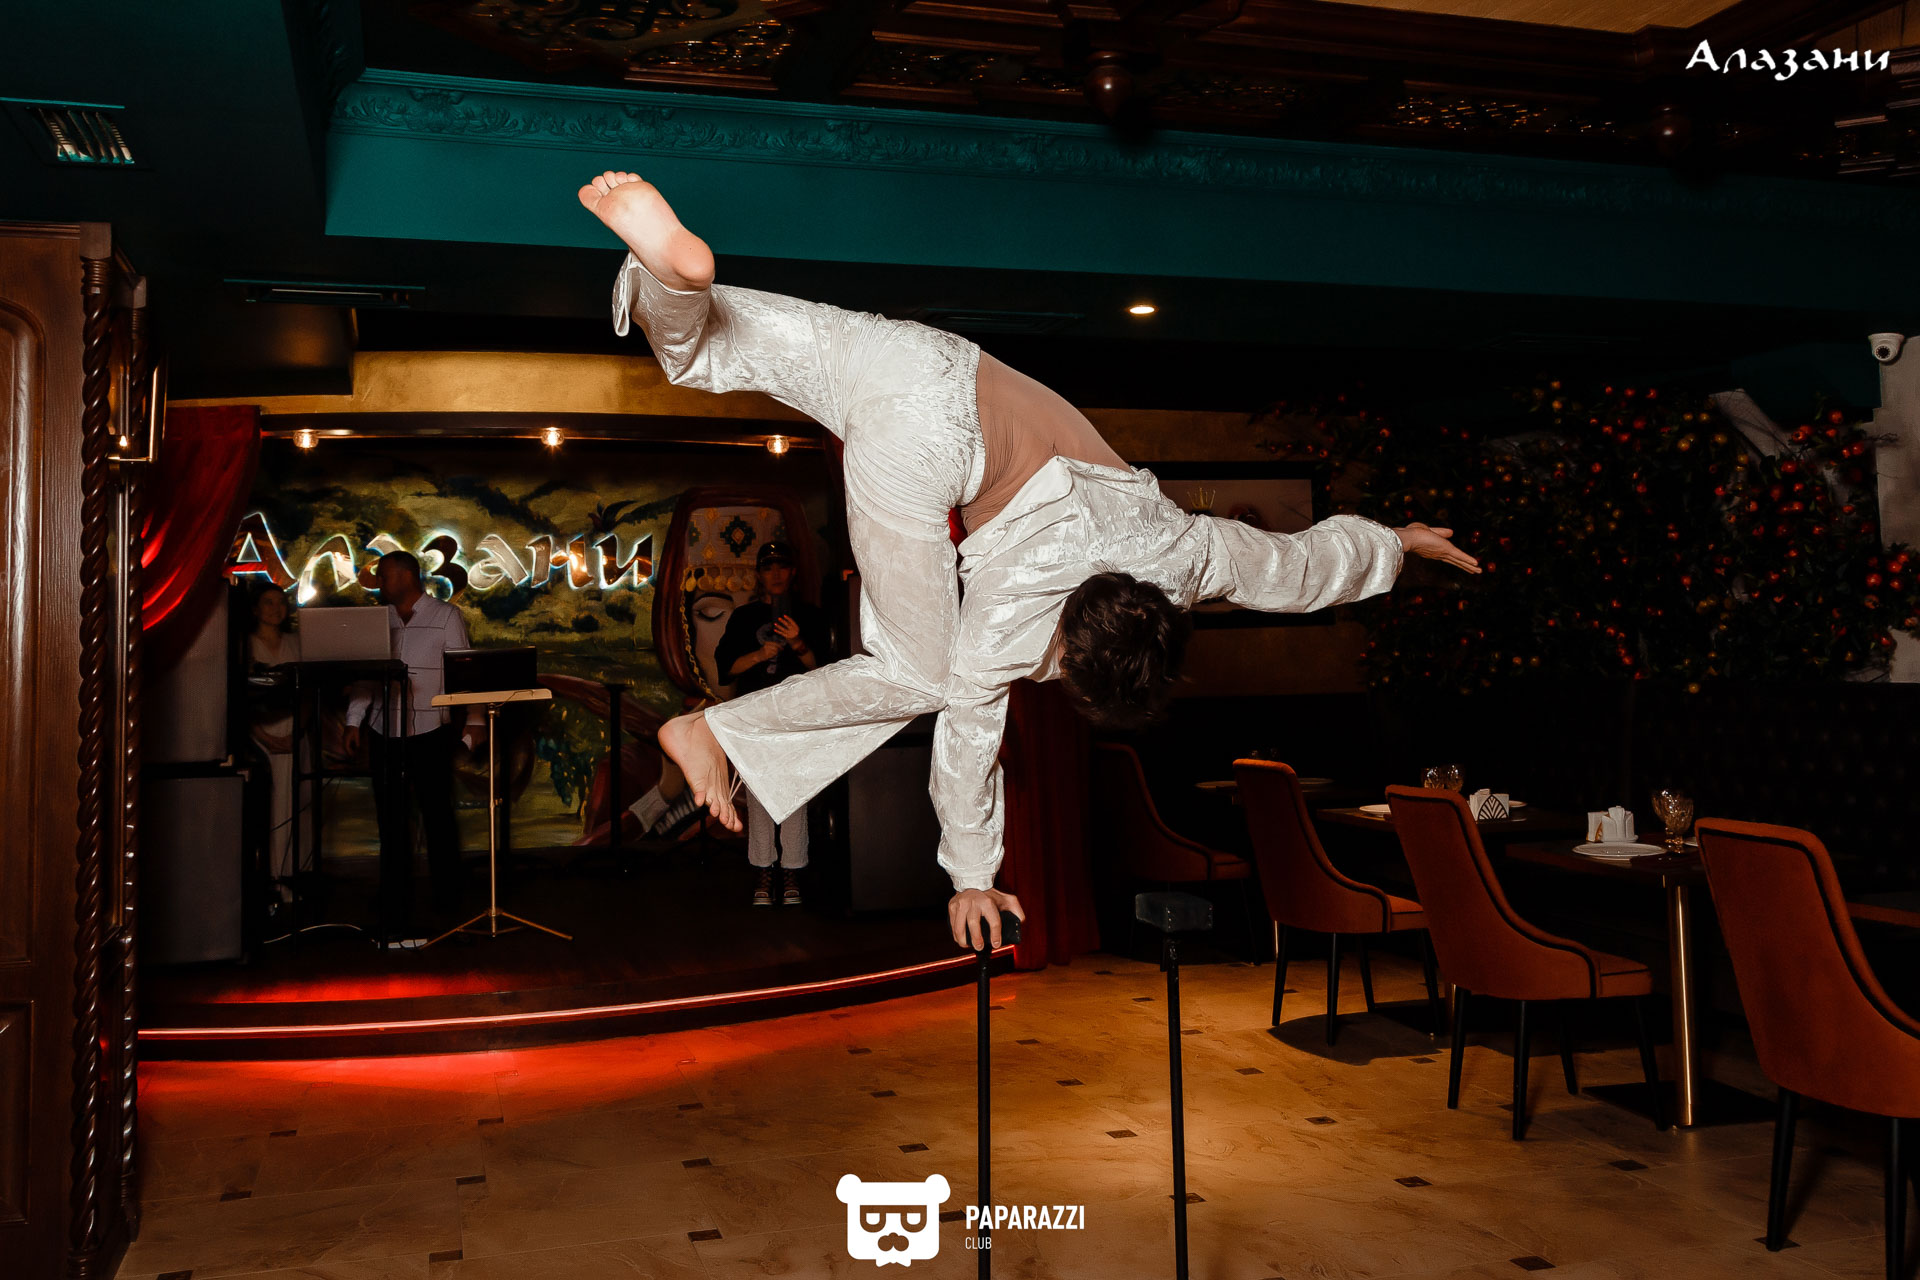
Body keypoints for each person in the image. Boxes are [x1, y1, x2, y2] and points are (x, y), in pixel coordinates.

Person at [578, 169, 1481, 953]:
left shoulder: (1185, 555)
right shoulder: (1012, 618)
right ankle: (714, 732)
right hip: (928, 442)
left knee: (707, 347)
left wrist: (1396, 542)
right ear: (1075, 654)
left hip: (915, 355)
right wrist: (971, 877)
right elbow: (968, 747)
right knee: (924, 673)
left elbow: (1293, 571)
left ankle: (670, 279)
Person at [342, 551, 479, 944]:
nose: (379, 583)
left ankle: (447, 897)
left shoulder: (446, 616)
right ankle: (393, 898)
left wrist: (475, 720)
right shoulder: (379, 620)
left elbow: (464, 671)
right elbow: (367, 677)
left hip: (431, 729)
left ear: (406, 576)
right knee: (390, 818)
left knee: (437, 814)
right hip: (383, 729)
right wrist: (354, 721)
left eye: (383, 576)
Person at [712, 540, 832, 906]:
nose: (775, 573)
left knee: (793, 792)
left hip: (797, 715)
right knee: (759, 793)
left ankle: (792, 868)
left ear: (792, 571)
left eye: (782, 566)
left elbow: (825, 671)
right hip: (755, 715)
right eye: (768, 567)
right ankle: (764, 868)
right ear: (760, 574)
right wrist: (759, 655)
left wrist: (798, 643)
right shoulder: (743, 617)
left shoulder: (810, 615)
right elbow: (727, 668)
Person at [243, 584, 306, 893]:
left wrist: (299, 732)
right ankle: (271, 880)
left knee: (296, 805)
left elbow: (308, 693)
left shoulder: (297, 643)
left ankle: (294, 877)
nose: (275, 608)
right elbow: (240, 698)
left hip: (296, 734)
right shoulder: (246, 645)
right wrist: (264, 737)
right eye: (268, 602)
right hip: (260, 738)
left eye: (280, 602)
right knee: (269, 807)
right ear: (255, 609)